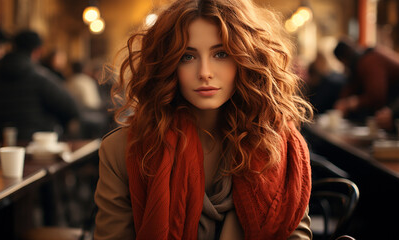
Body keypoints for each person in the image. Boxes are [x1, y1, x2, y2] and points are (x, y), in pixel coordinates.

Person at [94, 0, 313, 239]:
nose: (205, 72)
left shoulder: (278, 144)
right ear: (168, 65)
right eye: (187, 57)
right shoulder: (121, 151)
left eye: (221, 54)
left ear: (247, 58)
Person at [0, 30, 80, 141]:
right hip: (37, 141)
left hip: (0, 139)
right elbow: (72, 107)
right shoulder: (38, 76)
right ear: (37, 51)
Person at [333, 40, 399, 120]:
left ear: (343, 59)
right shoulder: (361, 62)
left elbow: (377, 96)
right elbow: (352, 86)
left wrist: (355, 102)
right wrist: (344, 101)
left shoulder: (369, 60)